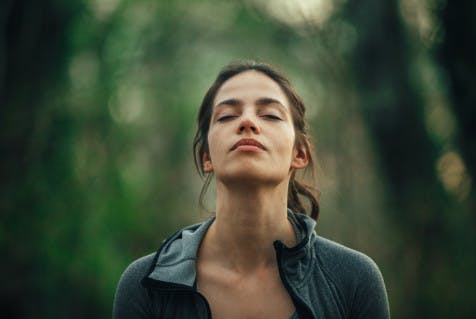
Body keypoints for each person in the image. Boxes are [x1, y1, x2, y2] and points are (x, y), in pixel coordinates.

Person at [112, 61, 390, 319]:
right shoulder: (145, 285)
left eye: (270, 114)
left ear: (300, 154)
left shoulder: (353, 280)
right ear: (206, 157)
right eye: (226, 116)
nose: (247, 122)